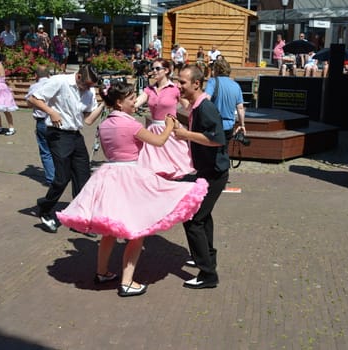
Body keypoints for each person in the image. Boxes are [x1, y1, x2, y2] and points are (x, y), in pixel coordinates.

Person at [56, 80, 208, 297]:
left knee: (109, 231)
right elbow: (159, 142)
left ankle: (102, 272)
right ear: (119, 103)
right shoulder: (130, 124)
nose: (134, 103)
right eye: (130, 100)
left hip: (109, 175)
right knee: (137, 230)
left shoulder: (105, 124)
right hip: (130, 175)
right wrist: (168, 125)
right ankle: (127, 282)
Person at [28, 65, 104, 233]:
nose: (89, 88)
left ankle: (78, 218)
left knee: (83, 177)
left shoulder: (89, 92)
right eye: (87, 84)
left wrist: (104, 103)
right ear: (78, 77)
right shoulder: (60, 81)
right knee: (62, 178)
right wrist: (51, 112)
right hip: (58, 134)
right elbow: (33, 98)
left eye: (92, 86)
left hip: (76, 135)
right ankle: (45, 208)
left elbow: (89, 120)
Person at [173, 65, 229, 289]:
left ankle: (207, 274)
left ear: (196, 83)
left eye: (183, 82)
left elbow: (217, 139)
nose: (179, 85)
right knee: (202, 217)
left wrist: (186, 134)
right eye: (178, 81)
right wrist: (184, 130)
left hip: (214, 173)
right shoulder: (198, 106)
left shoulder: (205, 107)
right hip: (206, 172)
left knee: (193, 220)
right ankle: (207, 259)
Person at [134, 58, 195, 179]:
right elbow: (135, 103)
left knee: (174, 165)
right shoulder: (149, 90)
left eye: (157, 68)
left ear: (166, 70)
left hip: (170, 129)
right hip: (153, 130)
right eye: (153, 69)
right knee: (153, 167)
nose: (154, 71)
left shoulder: (175, 89)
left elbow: (189, 107)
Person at [204, 59, 246, 149]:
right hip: (229, 127)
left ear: (216, 70)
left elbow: (206, 99)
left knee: (211, 153)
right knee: (224, 151)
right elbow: (240, 108)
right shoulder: (236, 85)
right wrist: (242, 125)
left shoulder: (213, 82)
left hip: (214, 125)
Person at [26, 65, 54, 185]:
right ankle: (62, 175)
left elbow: (28, 103)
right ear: (48, 75)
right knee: (58, 149)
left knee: (45, 150)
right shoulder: (54, 84)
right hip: (55, 120)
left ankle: (51, 178)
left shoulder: (34, 87)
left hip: (42, 120)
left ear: (36, 76)